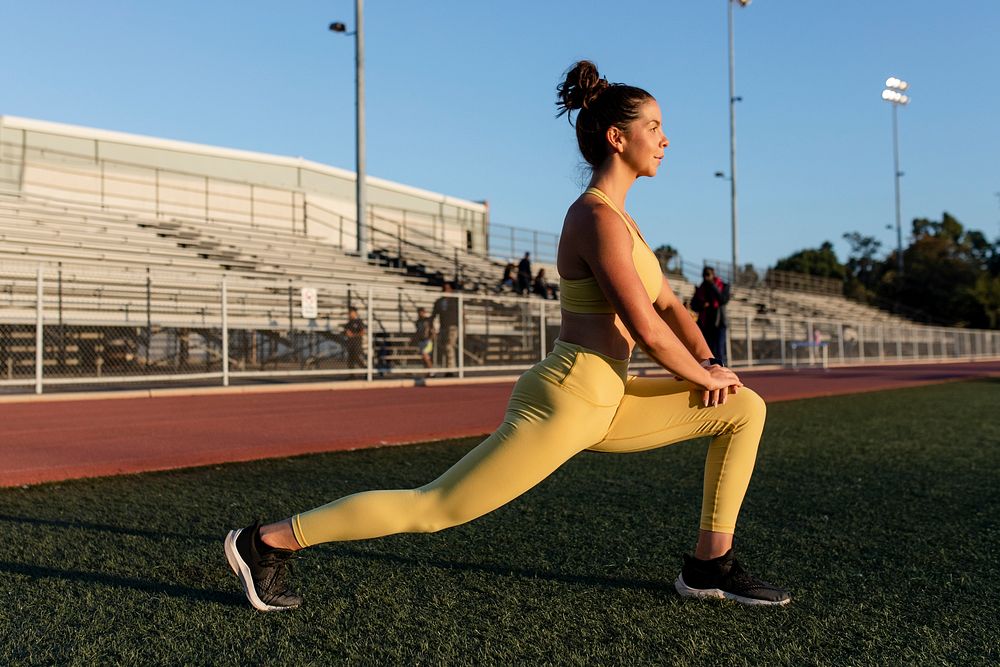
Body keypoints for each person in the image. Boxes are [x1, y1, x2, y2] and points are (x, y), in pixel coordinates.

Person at [224, 60, 790, 612]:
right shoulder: (592, 217)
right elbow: (646, 327)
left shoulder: (627, 222)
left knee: (743, 408)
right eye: (655, 127)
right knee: (436, 506)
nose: (666, 140)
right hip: (570, 398)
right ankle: (267, 541)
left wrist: (711, 362)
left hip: (609, 398)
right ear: (618, 138)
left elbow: (671, 306)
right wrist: (700, 374)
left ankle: (708, 565)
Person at [690, 266, 730, 366]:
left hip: (719, 323)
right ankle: (711, 373)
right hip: (706, 325)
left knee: (719, 350)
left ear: (713, 275)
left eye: (708, 274)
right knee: (708, 352)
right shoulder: (700, 289)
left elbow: (723, 300)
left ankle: (722, 372)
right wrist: (702, 305)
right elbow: (693, 305)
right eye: (704, 275)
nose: (706, 277)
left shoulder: (723, 286)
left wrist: (713, 285)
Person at [431, 282, 459, 372]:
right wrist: (433, 327)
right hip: (443, 327)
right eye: (444, 288)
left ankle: (451, 369)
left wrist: (463, 328)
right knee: (443, 347)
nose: (445, 290)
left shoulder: (456, 300)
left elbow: (461, 314)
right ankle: (447, 368)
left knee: (449, 346)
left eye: (447, 288)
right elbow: (433, 315)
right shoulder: (439, 302)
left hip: (453, 327)